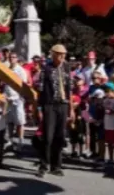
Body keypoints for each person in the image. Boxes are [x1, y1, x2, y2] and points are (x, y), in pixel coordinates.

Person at [37, 44, 73, 177]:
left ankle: (56, 165)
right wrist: (39, 108)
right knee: (48, 136)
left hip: (63, 104)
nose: (62, 56)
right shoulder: (46, 69)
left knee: (60, 136)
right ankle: (43, 165)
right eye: (59, 54)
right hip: (49, 104)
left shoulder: (67, 68)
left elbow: (70, 89)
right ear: (53, 54)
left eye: (64, 54)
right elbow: (40, 90)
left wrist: (72, 109)